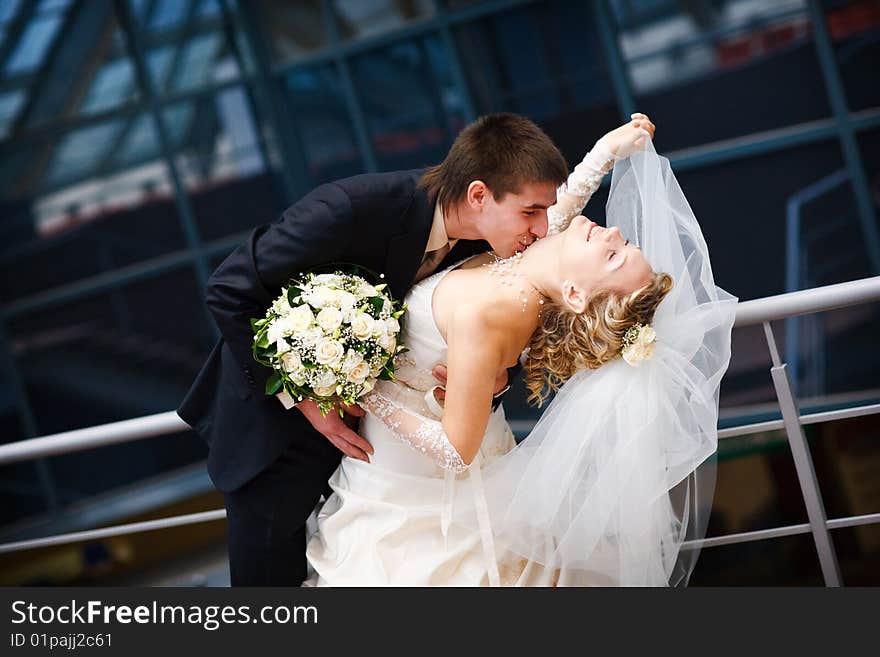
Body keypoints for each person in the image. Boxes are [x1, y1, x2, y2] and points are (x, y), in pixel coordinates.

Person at [178, 111, 656, 585]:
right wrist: (304, 397)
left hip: (387, 462)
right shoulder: (349, 209)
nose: (540, 226)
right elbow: (229, 291)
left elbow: (524, 286)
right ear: (478, 196)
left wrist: (490, 377)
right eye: (529, 213)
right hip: (277, 437)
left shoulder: (501, 239)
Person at [304, 131, 737, 586]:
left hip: (418, 484)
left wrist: (366, 391)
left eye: (612, 255)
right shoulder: (537, 264)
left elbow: (455, 449)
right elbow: (561, 208)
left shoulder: (489, 313)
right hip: (407, 469)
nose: (609, 231)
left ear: (574, 294)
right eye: (624, 242)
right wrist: (607, 152)